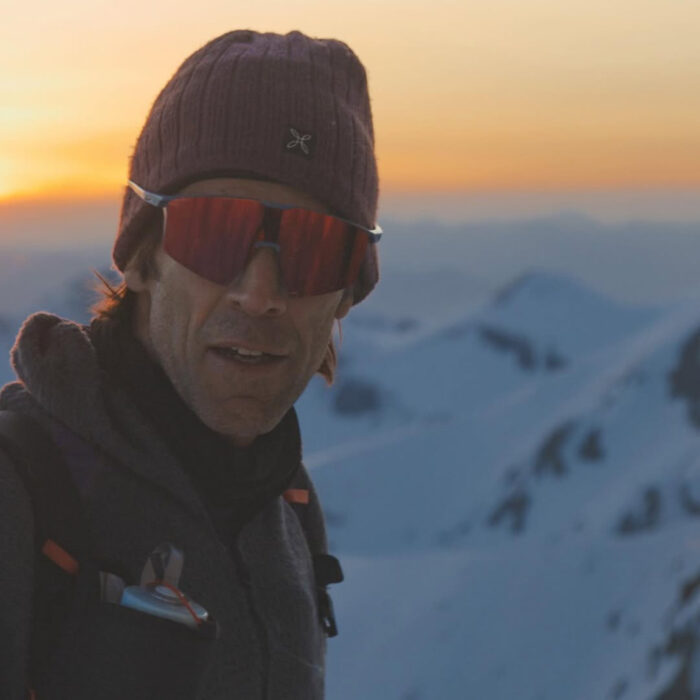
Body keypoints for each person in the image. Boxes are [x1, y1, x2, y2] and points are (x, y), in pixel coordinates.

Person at [0, 29, 380, 699]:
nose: (260, 294)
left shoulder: (288, 507)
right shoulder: (20, 491)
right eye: (216, 232)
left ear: (346, 293)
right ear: (142, 253)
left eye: (317, 249)